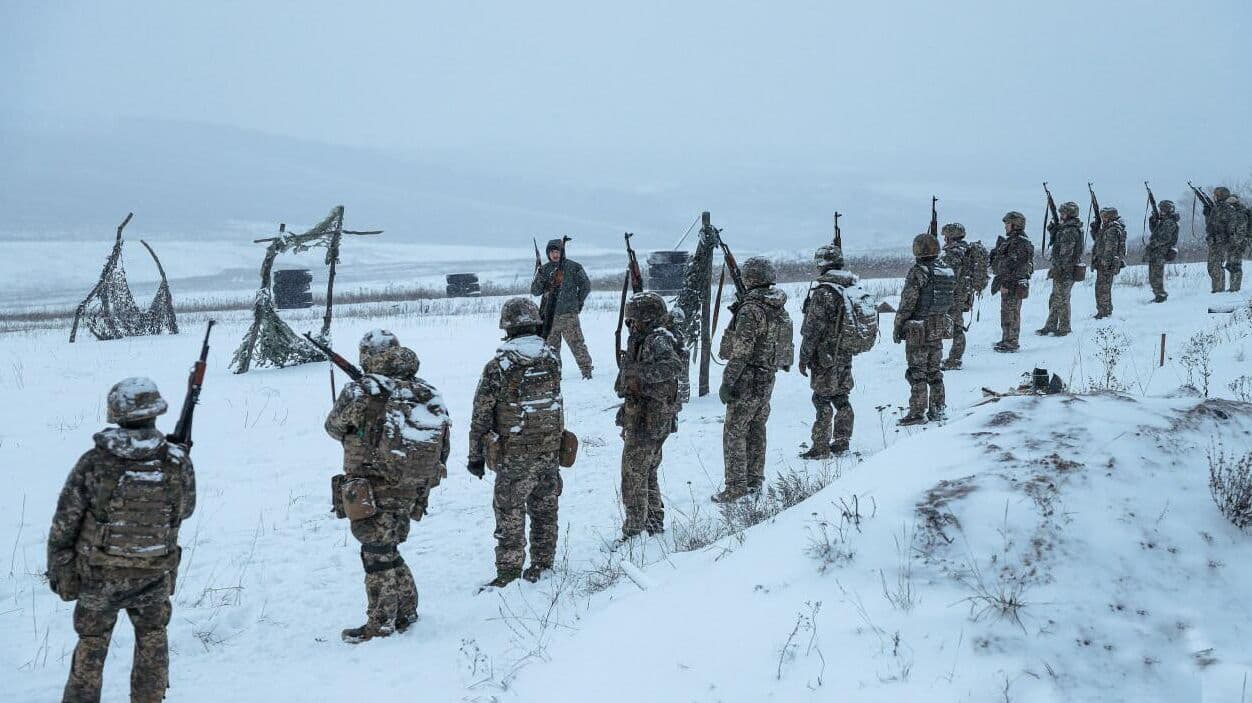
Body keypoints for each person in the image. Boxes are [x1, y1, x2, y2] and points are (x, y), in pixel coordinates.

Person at [47, 377, 195, 703]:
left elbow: (65, 521)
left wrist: (60, 566)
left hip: (99, 576)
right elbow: (185, 511)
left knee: (91, 644)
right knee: (153, 640)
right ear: (156, 412)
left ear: (117, 412)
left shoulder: (94, 461)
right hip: (154, 573)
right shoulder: (175, 460)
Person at [324, 330, 450, 643]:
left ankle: (380, 624)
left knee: (375, 552)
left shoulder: (362, 390)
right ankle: (406, 610)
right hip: (413, 484)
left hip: (373, 483)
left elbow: (333, 426)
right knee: (388, 547)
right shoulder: (425, 390)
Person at [468, 298, 565, 586]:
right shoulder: (551, 357)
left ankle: (509, 574)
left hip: (514, 456)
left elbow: (481, 413)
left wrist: (475, 455)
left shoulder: (499, 366)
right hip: (548, 451)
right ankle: (543, 564)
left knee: (510, 513)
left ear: (507, 326)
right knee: (545, 510)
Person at [713, 257, 793, 502]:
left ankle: (736, 487)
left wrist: (728, 382)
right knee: (757, 429)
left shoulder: (751, 309)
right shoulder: (777, 307)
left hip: (747, 377)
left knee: (735, 432)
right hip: (767, 375)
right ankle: (754, 481)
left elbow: (741, 351)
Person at [615, 292, 684, 538]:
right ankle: (653, 522)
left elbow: (672, 366)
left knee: (633, 475)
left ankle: (635, 530)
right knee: (647, 471)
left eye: (634, 319)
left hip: (650, 418)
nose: (630, 324)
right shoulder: (644, 338)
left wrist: (639, 376)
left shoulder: (656, 340)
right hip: (646, 417)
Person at [798, 243, 858, 458]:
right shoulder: (849, 287)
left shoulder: (824, 292)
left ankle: (820, 446)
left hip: (825, 354)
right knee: (842, 396)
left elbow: (812, 329)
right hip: (845, 351)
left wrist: (804, 357)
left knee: (821, 398)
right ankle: (842, 440)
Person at [893, 233, 955, 425]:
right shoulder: (946, 271)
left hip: (918, 328)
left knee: (917, 372)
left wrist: (898, 325)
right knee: (934, 371)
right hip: (938, 325)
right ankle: (938, 409)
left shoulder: (918, 272)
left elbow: (908, 302)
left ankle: (917, 412)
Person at [531, 238, 594, 378]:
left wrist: (577, 303)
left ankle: (586, 371)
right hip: (550, 317)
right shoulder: (545, 269)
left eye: (557, 251)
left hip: (568, 316)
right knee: (551, 349)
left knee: (577, 344)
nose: (555, 255)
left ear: (562, 252)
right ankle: (554, 374)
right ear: (548, 253)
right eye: (552, 252)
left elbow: (586, 286)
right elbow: (535, 291)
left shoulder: (573, 267)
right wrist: (540, 276)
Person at [938, 223, 989, 370]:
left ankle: (954, 360)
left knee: (955, 327)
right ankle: (954, 358)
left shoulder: (954, 253)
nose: (945, 239)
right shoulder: (964, 250)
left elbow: (947, 274)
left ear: (950, 236)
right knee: (957, 326)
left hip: (953, 295)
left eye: (946, 236)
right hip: (961, 294)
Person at [1038, 201, 1084, 336]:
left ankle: (1064, 327)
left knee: (1062, 299)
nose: (1060, 215)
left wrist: (1059, 268)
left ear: (1069, 214)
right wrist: (1054, 232)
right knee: (1055, 298)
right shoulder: (1065, 228)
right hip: (1061, 268)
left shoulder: (1069, 230)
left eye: (1063, 213)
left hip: (1066, 270)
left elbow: (1066, 253)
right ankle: (1051, 325)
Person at [1090, 206, 1127, 318]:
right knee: (1102, 288)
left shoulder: (1112, 230)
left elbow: (1109, 249)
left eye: (1105, 216)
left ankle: (1104, 311)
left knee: (1103, 288)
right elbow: (1099, 242)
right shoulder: (1107, 228)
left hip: (1107, 264)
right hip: (1105, 263)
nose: (1103, 218)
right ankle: (1105, 309)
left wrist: (1104, 263)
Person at [1146, 200, 1179, 302]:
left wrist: (1153, 244)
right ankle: (1158, 294)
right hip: (1157, 252)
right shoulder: (1164, 221)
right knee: (1153, 275)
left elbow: (1164, 238)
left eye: (1163, 210)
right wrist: (1153, 221)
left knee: (1156, 275)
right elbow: (1155, 232)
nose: (1161, 211)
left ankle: (1160, 295)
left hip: (1161, 251)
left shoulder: (1169, 222)